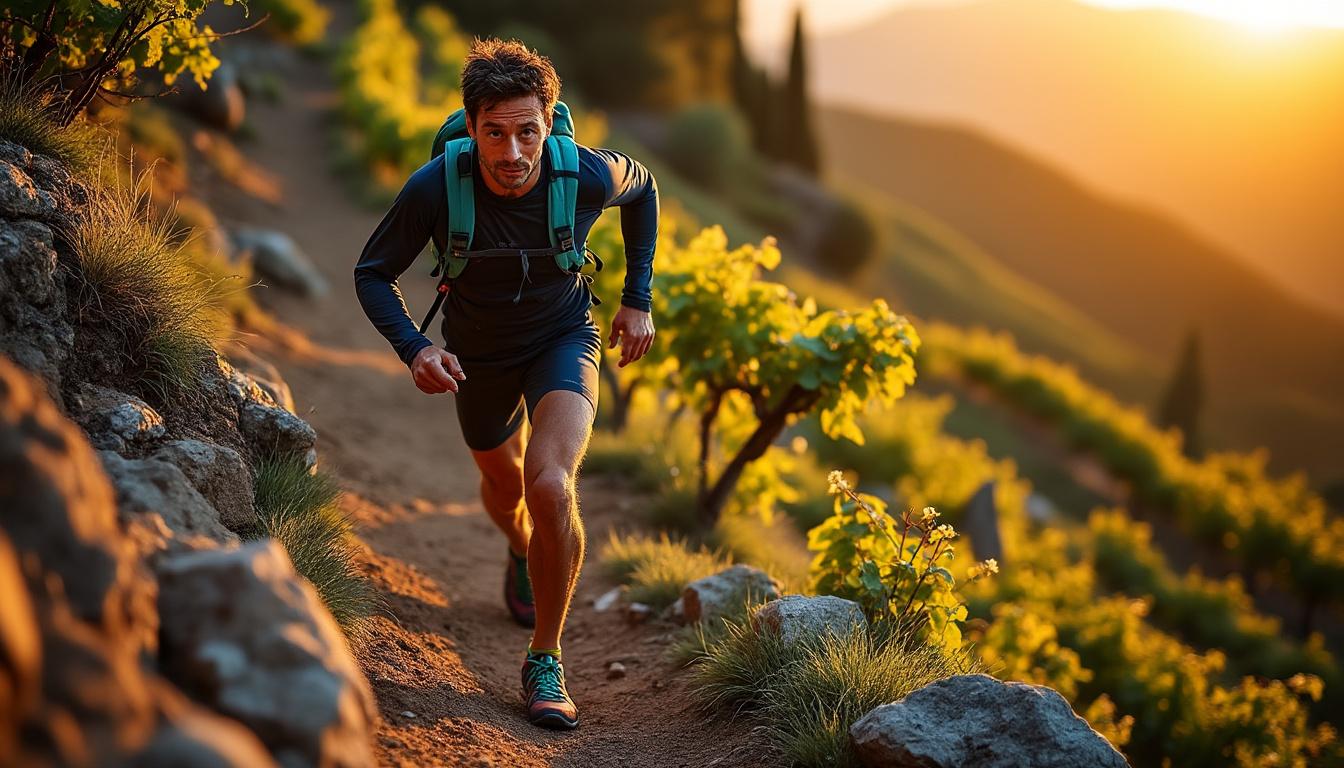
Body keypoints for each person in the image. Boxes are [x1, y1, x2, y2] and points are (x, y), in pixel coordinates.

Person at [353, 38, 658, 731]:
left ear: (547, 125)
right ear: (472, 126)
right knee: (504, 483)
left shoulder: (582, 174)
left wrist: (637, 296)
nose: (513, 152)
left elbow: (646, 191)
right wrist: (414, 348)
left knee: (550, 484)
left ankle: (544, 658)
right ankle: (521, 549)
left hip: (563, 341)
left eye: (527, 131)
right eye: (495, 132)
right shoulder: (436, 186)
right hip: (476, 357)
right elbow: (372, 272)